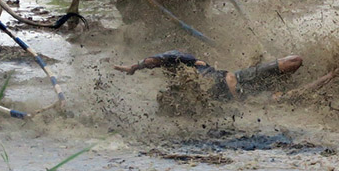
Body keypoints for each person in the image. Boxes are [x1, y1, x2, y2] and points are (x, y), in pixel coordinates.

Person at [114, 50, 303, 99]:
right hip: (244, 98)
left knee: (295, 60)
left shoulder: (197, 64)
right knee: (282, 100)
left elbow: (164, 58)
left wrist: (134, 67)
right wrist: (135, 67)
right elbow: (160, 59)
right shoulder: (183, 88)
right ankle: (329, 77)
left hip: (242, 77)